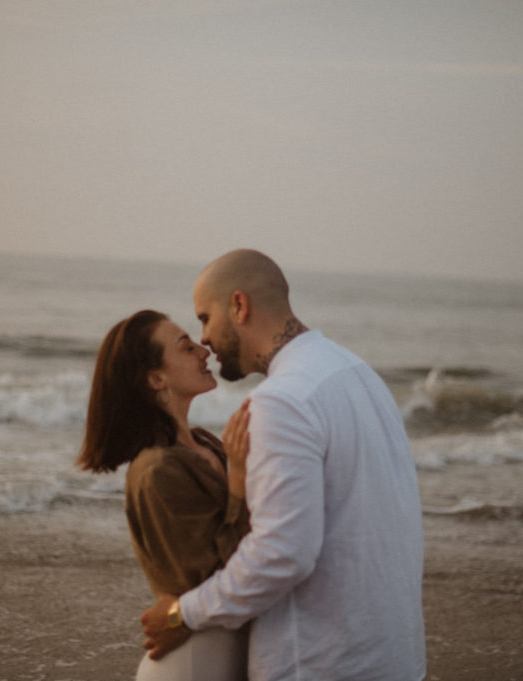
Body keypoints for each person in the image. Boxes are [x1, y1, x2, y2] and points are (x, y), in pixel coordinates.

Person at [140, 249, 427, 681]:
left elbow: (282, 554)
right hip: (393, 657)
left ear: (239, 306)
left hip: (322, 664)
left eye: (205, 317)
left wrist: (183, 614)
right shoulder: (357, 373)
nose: (205, 339)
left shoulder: (282, 400)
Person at [78, 309, 253, 681]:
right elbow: (214, 577)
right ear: (156, 378)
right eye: (186, 348)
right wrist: (238, 478)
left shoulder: (205, 442)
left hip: (226, 651)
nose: (204, 351)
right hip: (193, 661)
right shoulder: (157, 471)